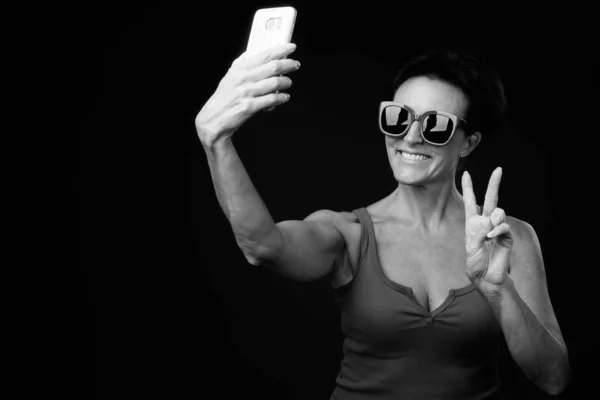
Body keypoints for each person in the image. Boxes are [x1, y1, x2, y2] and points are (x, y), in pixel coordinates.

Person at [195, 43, 571, 399]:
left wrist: (498, 290)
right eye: (398, 117)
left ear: (468, 143)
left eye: (435, 125)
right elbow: (262, 246)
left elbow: (553, 378)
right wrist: (218, 142)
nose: (410, 137)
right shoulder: (350, 233)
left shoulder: (508, 239)